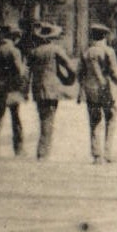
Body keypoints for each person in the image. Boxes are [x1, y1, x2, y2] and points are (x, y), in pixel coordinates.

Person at [25, 20, 77, 160]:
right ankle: (43, 153)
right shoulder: (56, 50)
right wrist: (68, 80)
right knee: (48, 120)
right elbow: (71, 68)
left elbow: (26, 74)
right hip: (52, 90)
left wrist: (25, 91)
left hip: (37, 89)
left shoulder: (34, 52)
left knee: (43, 119)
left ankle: (42, 151)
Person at [77, 22, 117, 164]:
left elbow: (79, 73)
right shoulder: (108, 51)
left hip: (91, 91)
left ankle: (96, 155)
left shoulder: (86, 52)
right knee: (111, 119)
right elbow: (114, 73)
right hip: (106, 90)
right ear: (104, 36)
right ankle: (108, 153)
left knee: (94, 121)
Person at [0, 26, 29, 159]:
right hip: (11, 89)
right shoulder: (14, 51)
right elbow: (20, 71)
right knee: (16, 119)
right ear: (15, 37)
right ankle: (19, 149)